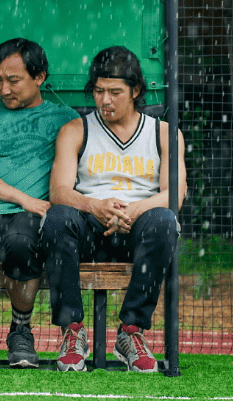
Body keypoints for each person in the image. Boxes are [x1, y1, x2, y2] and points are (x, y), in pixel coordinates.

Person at [43, 46, 186, 373]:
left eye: (115, 92)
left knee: (164, 221)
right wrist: (94, 205)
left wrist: (133, 211)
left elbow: (174, 194)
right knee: (57, 218)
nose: (104, 100)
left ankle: (131, 331)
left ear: (135, 91)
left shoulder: (164, 133)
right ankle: (72, 331)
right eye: (98, 91)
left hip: (140, 229)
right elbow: (59, 191)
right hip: (90, 227)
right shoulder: (76, 129)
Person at [0, 38, 78, 368]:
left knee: (23, 244)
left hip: (31, 214)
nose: (4, 89)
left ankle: (21, 331)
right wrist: (23, 198)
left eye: (14, 80)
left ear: (40, 77)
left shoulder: (65, 119)